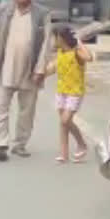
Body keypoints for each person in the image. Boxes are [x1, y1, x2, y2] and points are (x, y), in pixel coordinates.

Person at [0, 0, 53, 162]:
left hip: (30, 70)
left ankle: (20, 144)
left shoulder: (42, 14)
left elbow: (47, 43)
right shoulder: (3, 10)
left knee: (26, 110)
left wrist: (40, 69)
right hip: (4, 66)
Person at [44, 25, 92, 163]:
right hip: (62, 91)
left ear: (62, 38)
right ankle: (64, 153)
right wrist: (41, 75)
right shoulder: (60, 52)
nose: (54, 40)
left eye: (56, 37)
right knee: (64, 123)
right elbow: (53, 68)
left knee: (65, 120)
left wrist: (79, 43)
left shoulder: (77, 53)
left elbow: (88, 57)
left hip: (75, 92)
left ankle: (82, 144)